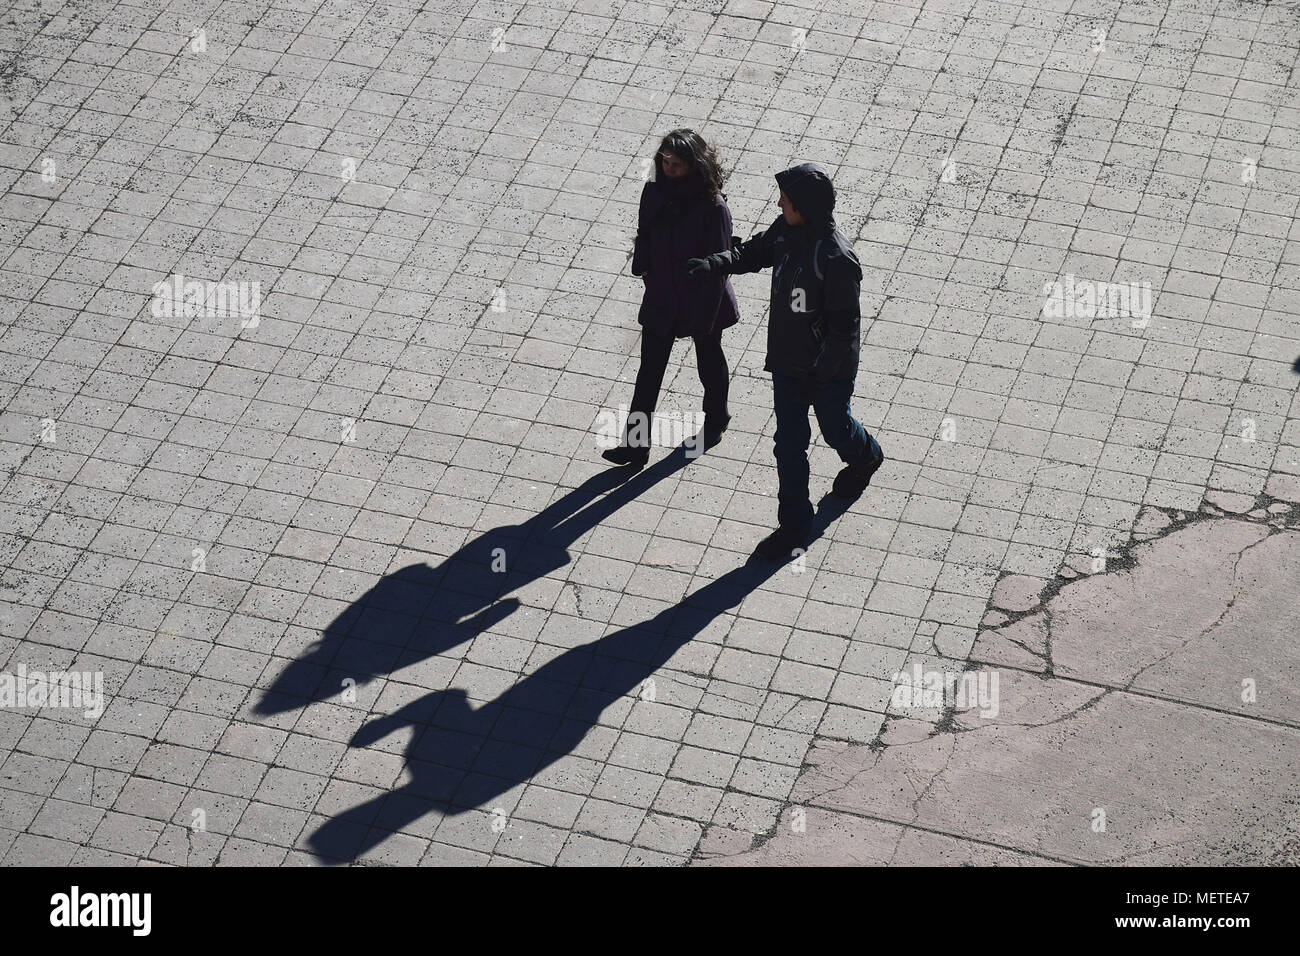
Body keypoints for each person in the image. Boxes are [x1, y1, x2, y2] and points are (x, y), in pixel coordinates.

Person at [687, 162, 885, 561]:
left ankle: (866, 457)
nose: (779, 204)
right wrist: (716, 263)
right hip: (788, 365)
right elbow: (753, 252)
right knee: (789, 447)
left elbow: (844, 330)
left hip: (828, 372)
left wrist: (820, 374)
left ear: (805, 207)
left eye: (786, 200)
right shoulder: (785, 232)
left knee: (835, 428)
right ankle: (794, 526)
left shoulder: (836, 258)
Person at [602, 129, 739, 469]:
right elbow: (645, 231)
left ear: (695, 165)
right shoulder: (655, 192)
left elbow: (720, 264)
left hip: (701, 297)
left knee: (709, 361)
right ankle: (635, 445)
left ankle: (717, 418)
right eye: (665, 163)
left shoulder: (713, 206)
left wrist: (705, 316)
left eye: (676, 165)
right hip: (663, 293)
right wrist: (644, 268)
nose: (668, 169)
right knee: (648, 372)